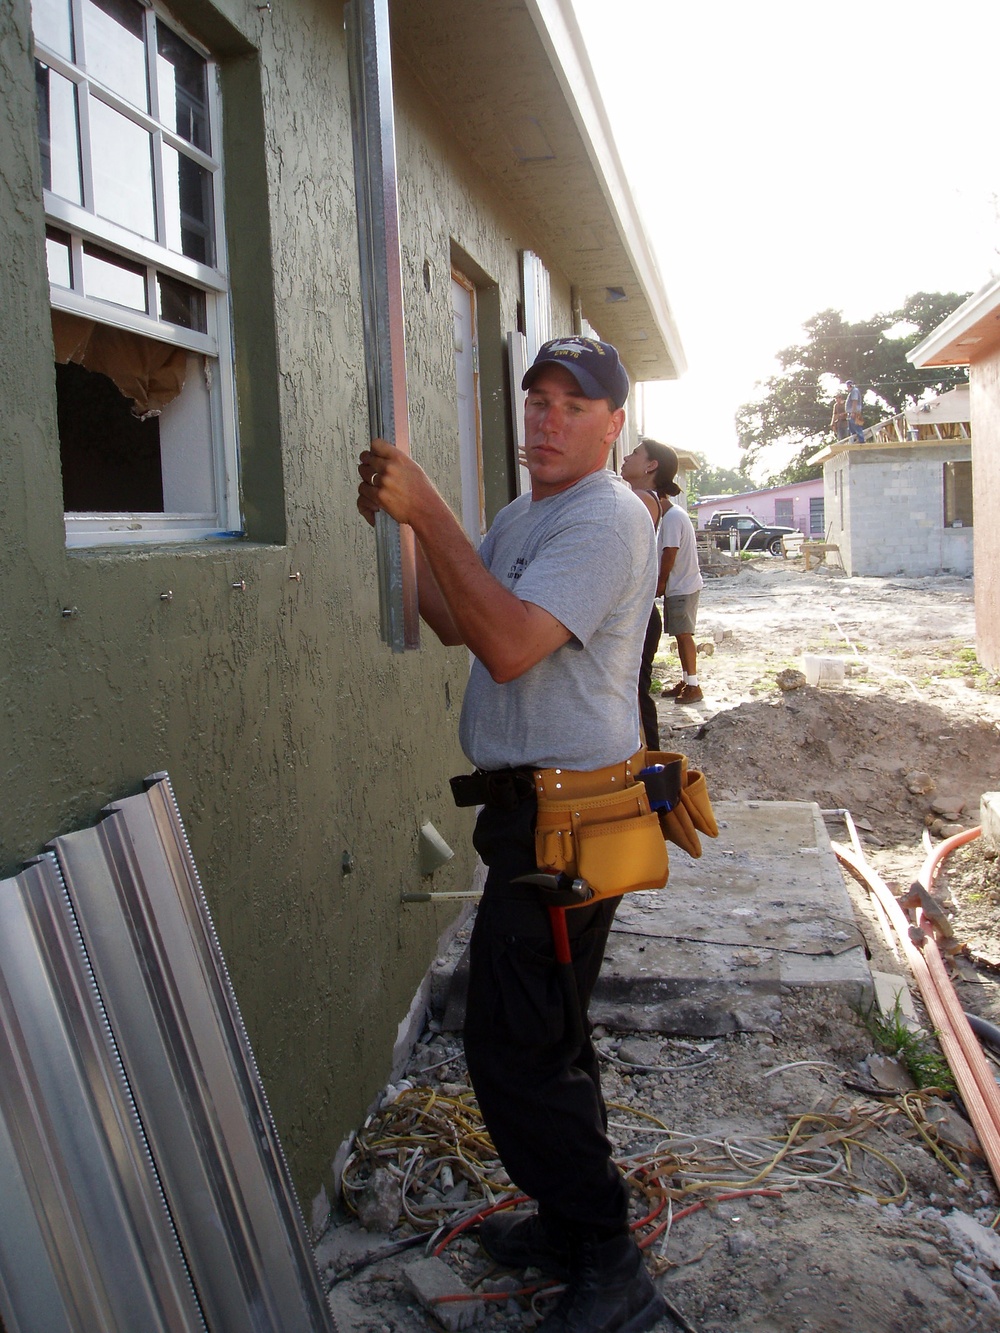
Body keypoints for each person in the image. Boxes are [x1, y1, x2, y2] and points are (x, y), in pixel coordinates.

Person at [357, 336, 668, 1333]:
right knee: (549, 1036)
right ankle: (571, 1228)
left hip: (567, 825)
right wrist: (403, 538)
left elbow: (507, 643)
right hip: (525, 817)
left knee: (515, 1046)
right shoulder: (522, 515)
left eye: (573, 405)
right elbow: (459, 616)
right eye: (536, 399)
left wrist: (429, 509)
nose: (547, 418)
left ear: (614, 423)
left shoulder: (608, 519)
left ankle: (610, 1263)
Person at [620, 437, 682, 749]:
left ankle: (654, 768)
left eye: (634, 453)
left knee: (635, 693)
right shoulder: (634, 496)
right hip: (638, 615)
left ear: (650, 465)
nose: (626, 457)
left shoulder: (642, 500)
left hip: (642, 617)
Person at [656, 447, 704, 705]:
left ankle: (694, 685)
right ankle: (687, 680)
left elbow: (669, 553)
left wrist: (660, 583)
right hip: (683, 585)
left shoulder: (672, 518)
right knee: (680, 634)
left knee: (685, 635)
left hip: (681, 586)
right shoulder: (673, 516)